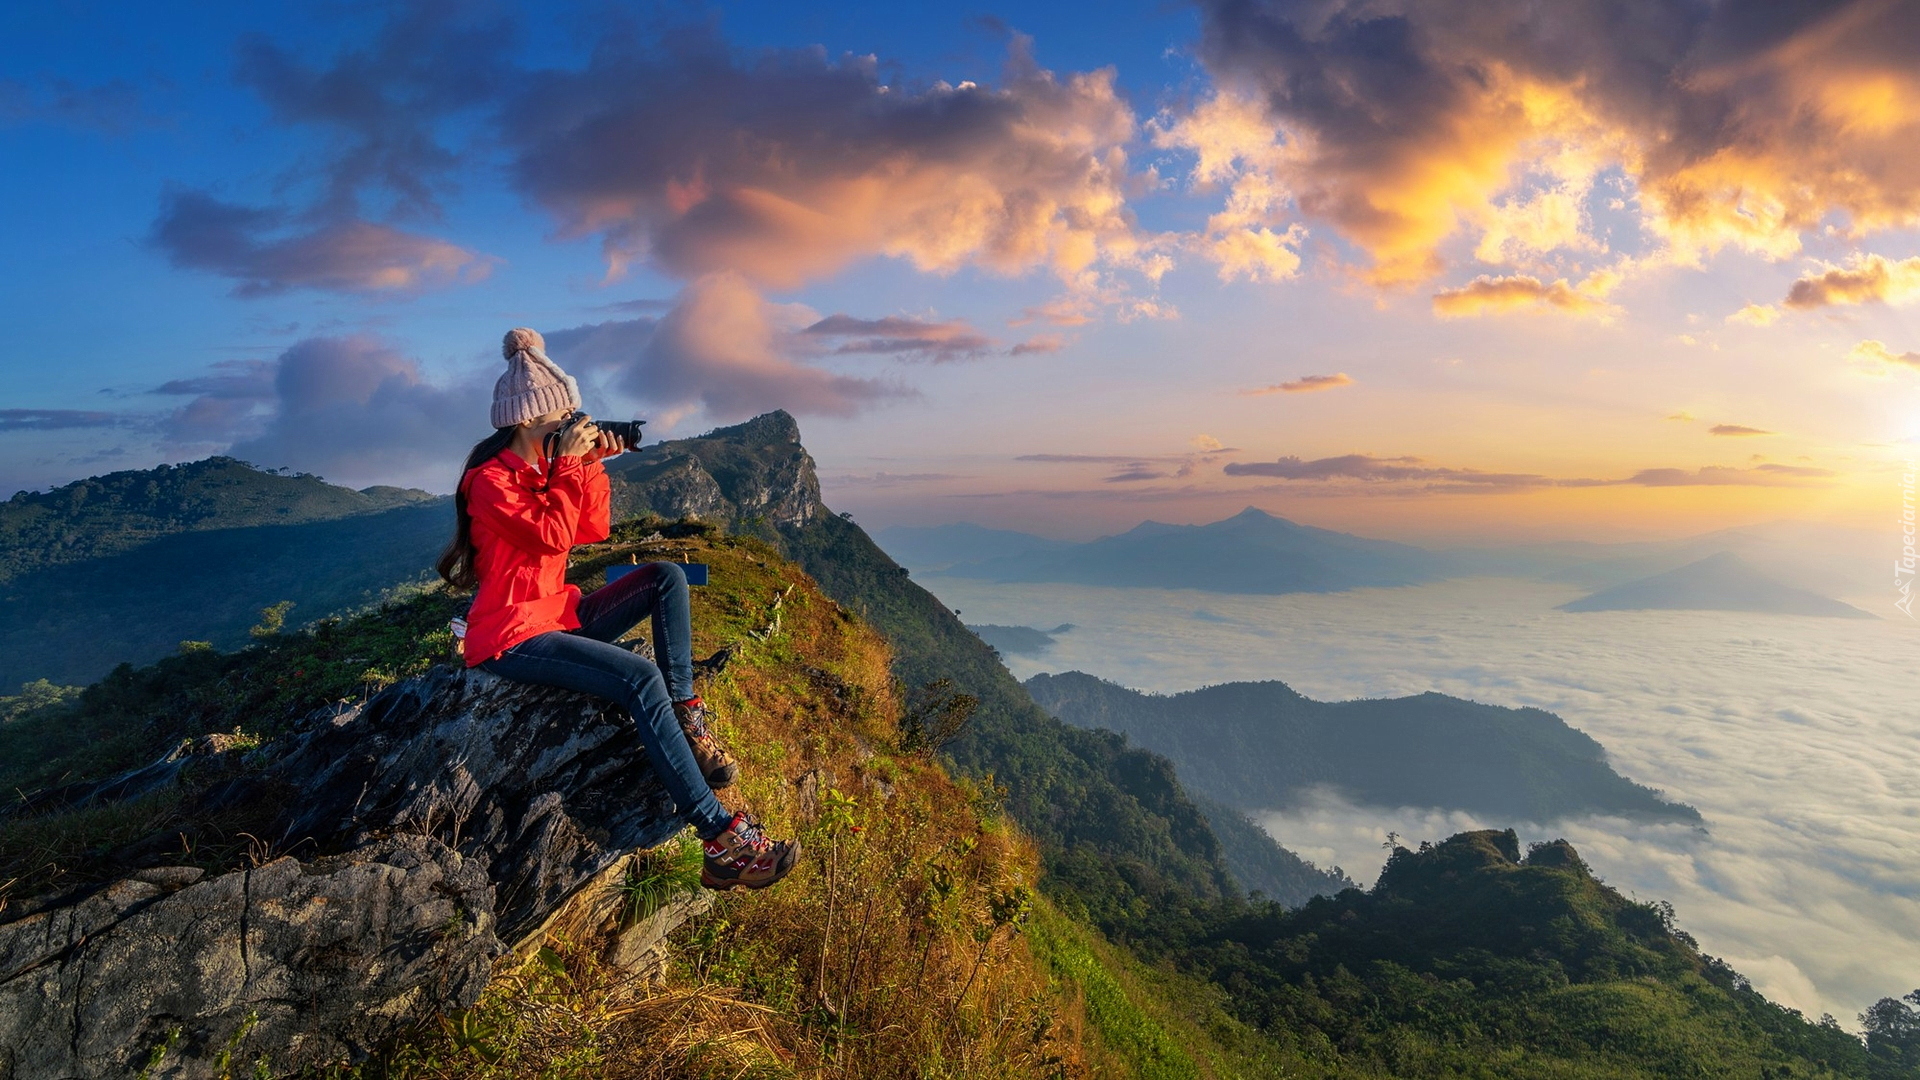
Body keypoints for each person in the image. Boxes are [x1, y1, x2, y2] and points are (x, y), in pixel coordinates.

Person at [435, 327, 799, 891]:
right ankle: (721, 838)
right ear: (531, 421)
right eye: (565, 418)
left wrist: (587, 465)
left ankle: (685, 715)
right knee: (638, 676)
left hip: (556, 613)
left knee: (665, 577)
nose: (573, 425)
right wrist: (564, 469)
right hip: (510, 634)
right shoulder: (489, 482)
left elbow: (592, 527)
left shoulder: (541, 471)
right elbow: (552, 538)